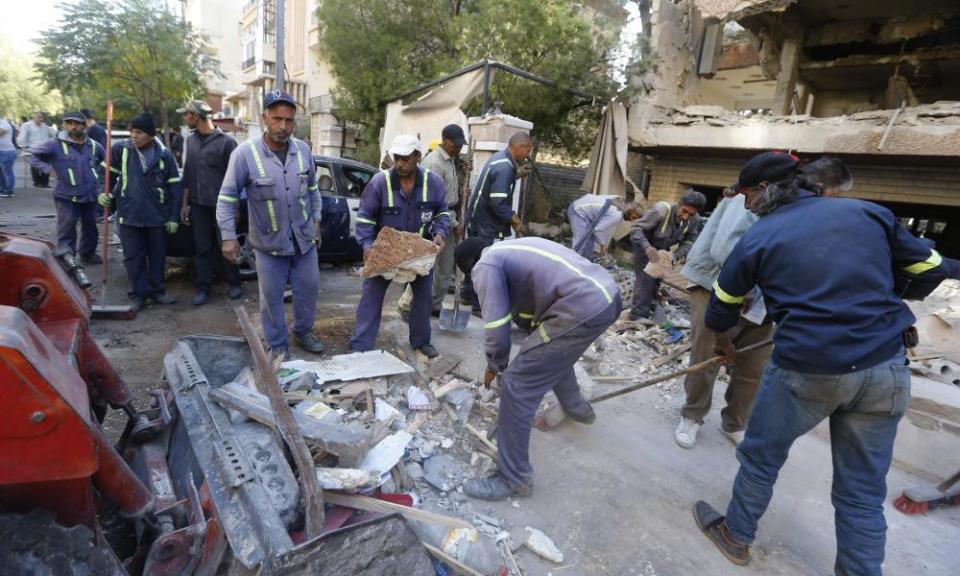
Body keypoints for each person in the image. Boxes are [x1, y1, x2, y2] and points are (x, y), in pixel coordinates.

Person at [692, 161, 958, 575]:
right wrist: (894, 299)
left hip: (807, 368)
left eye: (746, 194)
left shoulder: (758, 237)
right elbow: (932, 268)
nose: (745, 203)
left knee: (761, 459)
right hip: (885, 365)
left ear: (763, 190)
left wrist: (726, 345)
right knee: (862, 493)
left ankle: (735, 536)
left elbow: (722, 305)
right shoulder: (868, 212)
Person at [454, 236, 621, 500]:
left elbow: (497, 329)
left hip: (581, 306)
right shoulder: (510, 249)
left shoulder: (485, 265)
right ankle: (579, 410)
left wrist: (496, 366)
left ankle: (513, 479)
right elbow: (534, 325)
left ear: (468, 266)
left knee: (516, 384)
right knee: (550, 356)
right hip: (606, 297)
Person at [676, 152, 802, 449]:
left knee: (754, 366)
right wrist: (744, 291)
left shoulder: (798, 206)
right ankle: (692, 415)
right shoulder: (750, 198)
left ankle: (735, 422)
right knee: (708, 357)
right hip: (716, 285)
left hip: (762, 299)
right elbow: (726, 250)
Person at [217, 90, 325, 357]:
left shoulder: (303, 151)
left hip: (303, 240)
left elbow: (313, 189)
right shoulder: (244, 154)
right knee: (271, 300)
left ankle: (303, 331)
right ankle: (277, 345)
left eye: (289, 120)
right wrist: (228, 236)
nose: (283, 127)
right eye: (277, 119)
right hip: (268, 245)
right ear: (264, 117)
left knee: (308, 290)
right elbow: (227, 197)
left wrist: (317, 220)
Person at [348, 134, 449, 358]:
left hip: (420, 252)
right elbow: (365, 218)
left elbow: (442, 212)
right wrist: (367, 246)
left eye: (406, 159)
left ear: (417, 157)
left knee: (423, 298)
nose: (400, 163)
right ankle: (361, 344)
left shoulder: (433, 183)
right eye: (397, 158)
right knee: (371, 296)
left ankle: (421, 341)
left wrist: (440, 233)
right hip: (386, 252)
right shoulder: (379, 183)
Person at [98, 112, 181, 310]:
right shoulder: (121, 150)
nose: (133, 136)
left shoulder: (165, 155)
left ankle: (158, 291)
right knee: (133, 257)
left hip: (156, 216)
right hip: (129, 215)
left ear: (151, 135)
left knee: (157, 256)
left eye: (139, 132)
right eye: (131, 131)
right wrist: (103, 193)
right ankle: (138, 295)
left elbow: (174, 188)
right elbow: (105, 176)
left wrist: (173, 217)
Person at [398, 124, 468, 319]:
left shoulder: (450, 161)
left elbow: (450, 195)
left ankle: (434, 304)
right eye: (456, 145)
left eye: (461, 145)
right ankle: (406, 305)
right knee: (424, 267)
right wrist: (453, 224)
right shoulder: (434, 163)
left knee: (445, 267)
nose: (459, 148)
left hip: (449, 217)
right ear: (445, 140)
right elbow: (433, 201)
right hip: (434, 221)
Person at [177, 100, 242, 305]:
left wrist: (236, 209)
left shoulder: (226, 142)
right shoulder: (190, 140)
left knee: (228, 245)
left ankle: (234, 283)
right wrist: (184, 204)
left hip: (223, 207)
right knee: (202, 248)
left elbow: (237, 179)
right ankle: (203, 288)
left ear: (197, 116)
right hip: (198, 205)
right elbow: (188, 174)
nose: (185, 118)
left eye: (187, 115)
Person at [462, 131, 533, 313]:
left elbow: (496, 185)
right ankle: (479, 306)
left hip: (478, 218)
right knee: (485, 262)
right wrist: (515, 221)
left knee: (475, 259)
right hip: (487, 223)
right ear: (519, 147)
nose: (528, 155)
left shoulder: (501, 159)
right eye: (527, 150)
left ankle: (467, 293)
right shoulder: (505, 167)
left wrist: (516, 175)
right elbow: (498, 203)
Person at [27, 111, 106, 264]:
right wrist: (48, 169)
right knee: (67, 228)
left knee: (91, 227)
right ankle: (67, 259)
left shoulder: (95, 146)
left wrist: (102, 182)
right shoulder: (54, 144)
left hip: (90, 194)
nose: (73, 126)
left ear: (84, 125)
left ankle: (88, 254)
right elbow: (29, 154)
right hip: (66, 195)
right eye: (69, 123)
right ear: (64, 125)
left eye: (77, 123)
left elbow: (108, 163)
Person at [628, 189, 706, 320]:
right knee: (645, 282)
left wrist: (675, 255)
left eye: (691, 214)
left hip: (663, 250)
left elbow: (689, 241)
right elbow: (636, 229)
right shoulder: (660, 211)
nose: (686, 216)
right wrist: (646, 247)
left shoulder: (694, 220)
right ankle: (637, 316)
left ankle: (650, 308)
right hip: (644, 248)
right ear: (679, 203)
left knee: (656, 280)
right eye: (684, 211)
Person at [567, 194, 641, 260]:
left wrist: (602, 244)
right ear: (630, 211)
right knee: (580, 243)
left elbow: (595, 229)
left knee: (589, 243)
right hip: (578, 210)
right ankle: (571, 264)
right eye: (634, 217)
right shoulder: (617, 215)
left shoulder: (619, 200)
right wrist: (603, 244)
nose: (632, 221)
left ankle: (585, 264)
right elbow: (596, 230)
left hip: (584, 209)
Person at [18, 112, 56, 187]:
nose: (41, 119)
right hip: (33, 148)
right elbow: (22, 137)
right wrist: (23, 147)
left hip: (45, 149)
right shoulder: (27, 125)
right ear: (34, 117)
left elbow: (53, 135)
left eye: (42, 118)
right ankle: (37, 182)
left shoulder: (45, 126)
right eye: (39, 117)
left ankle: (45, 183)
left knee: (46, 165)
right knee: (35, 166)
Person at [0, 115, 16, 198]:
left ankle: (9, 191)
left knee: (7, 172)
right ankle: (2, 190)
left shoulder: (4, 124)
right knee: (1, 173)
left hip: (7, 152)